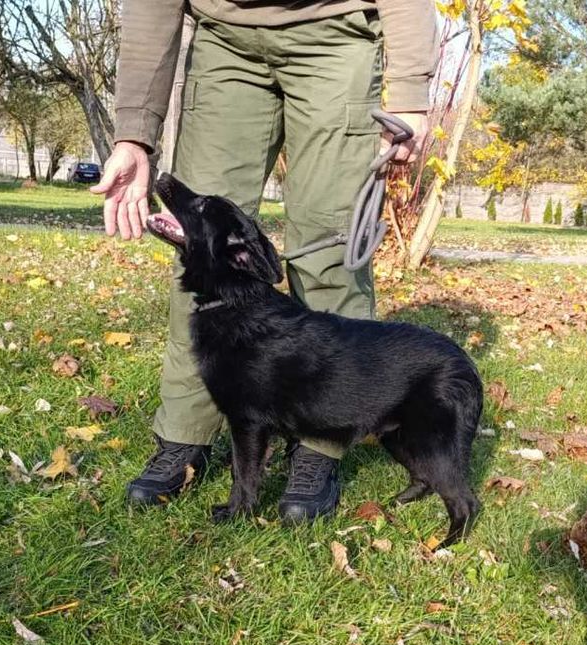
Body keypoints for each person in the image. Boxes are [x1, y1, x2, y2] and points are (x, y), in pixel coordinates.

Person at [92, 0, 437, 522]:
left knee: (330, 253)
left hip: (334, 36)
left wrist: (410, 90)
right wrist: (134, 134)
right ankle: (185, 436)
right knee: (203, 256)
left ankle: (318, 447)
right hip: (224, 43)